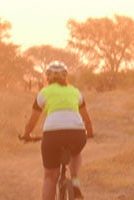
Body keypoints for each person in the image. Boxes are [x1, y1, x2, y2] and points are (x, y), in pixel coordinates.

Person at [22, 61, 94, 200]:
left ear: (47, 78)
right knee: (76, 152)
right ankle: (75, 181)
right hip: (77, 133)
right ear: (66, 77)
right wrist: (89, 133)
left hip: (52, 135)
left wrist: (27, 135)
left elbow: (32, 121)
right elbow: (87, 120)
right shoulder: (76, 92)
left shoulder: (43, 93)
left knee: (50, 176)